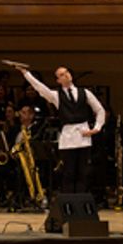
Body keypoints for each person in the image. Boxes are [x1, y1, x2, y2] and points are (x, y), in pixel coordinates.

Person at [14, 64, 106, 195]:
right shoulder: (56, 96)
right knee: (68, 172)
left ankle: (80, 200)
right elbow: (40, 88)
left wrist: (96, 128)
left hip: (84, 135)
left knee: (83, 172)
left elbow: (100, 110)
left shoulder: (85, 93)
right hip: (68, 137)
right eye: (61, 75)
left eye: (67, 72)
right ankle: (68, 201)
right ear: (58, 80)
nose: (66, 75)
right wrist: (25, 73)